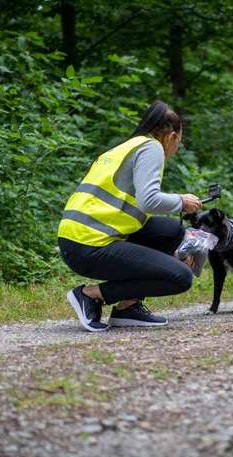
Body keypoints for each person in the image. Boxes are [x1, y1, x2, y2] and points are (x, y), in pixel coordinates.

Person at [57, 101, 203, 331]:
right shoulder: (152, 148)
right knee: (181, 277)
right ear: (172, 137)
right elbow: (149, 200)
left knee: (172, 231)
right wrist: (181, 201)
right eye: (180, 143)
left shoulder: (127, 146)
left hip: (76, 238)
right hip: (89, 245)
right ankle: (91, 295)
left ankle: (128, 307)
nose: (177, 148)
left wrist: (169, 252)